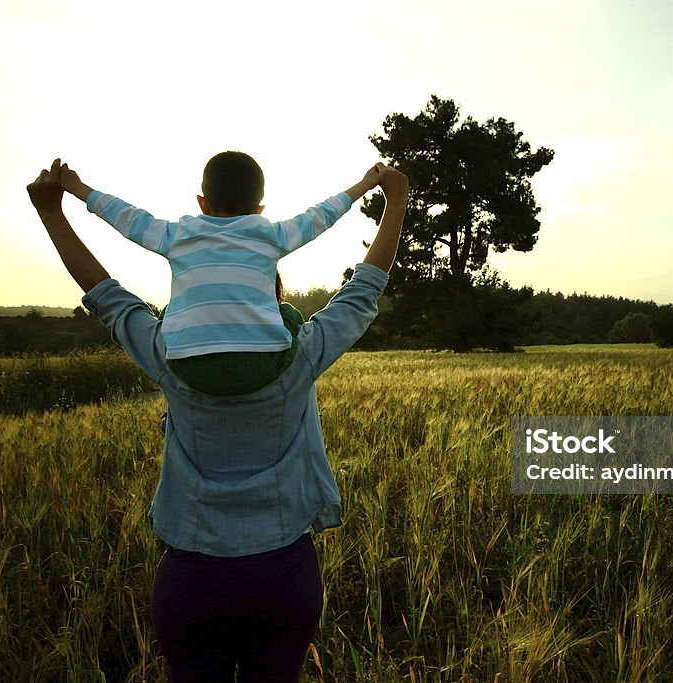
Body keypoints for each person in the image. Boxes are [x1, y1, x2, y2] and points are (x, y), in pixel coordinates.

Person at [27, 158, 409, 682]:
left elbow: (108, 297)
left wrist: (54, 214)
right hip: (284, 575)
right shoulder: (300, 355)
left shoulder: (170, 355)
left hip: (191, 580)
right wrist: (396, 204)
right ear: (273, 296)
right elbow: (363, 292)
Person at [57, 152, 385, 395]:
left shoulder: (177, 234)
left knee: (175, 311)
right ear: (259, 209)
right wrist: (366, 184)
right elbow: (323, 214)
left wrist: (77, 188)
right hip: (262, 364)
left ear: (203, 203)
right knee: (288, 316)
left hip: (189, 365)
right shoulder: (272, 234)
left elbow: (124, 216)